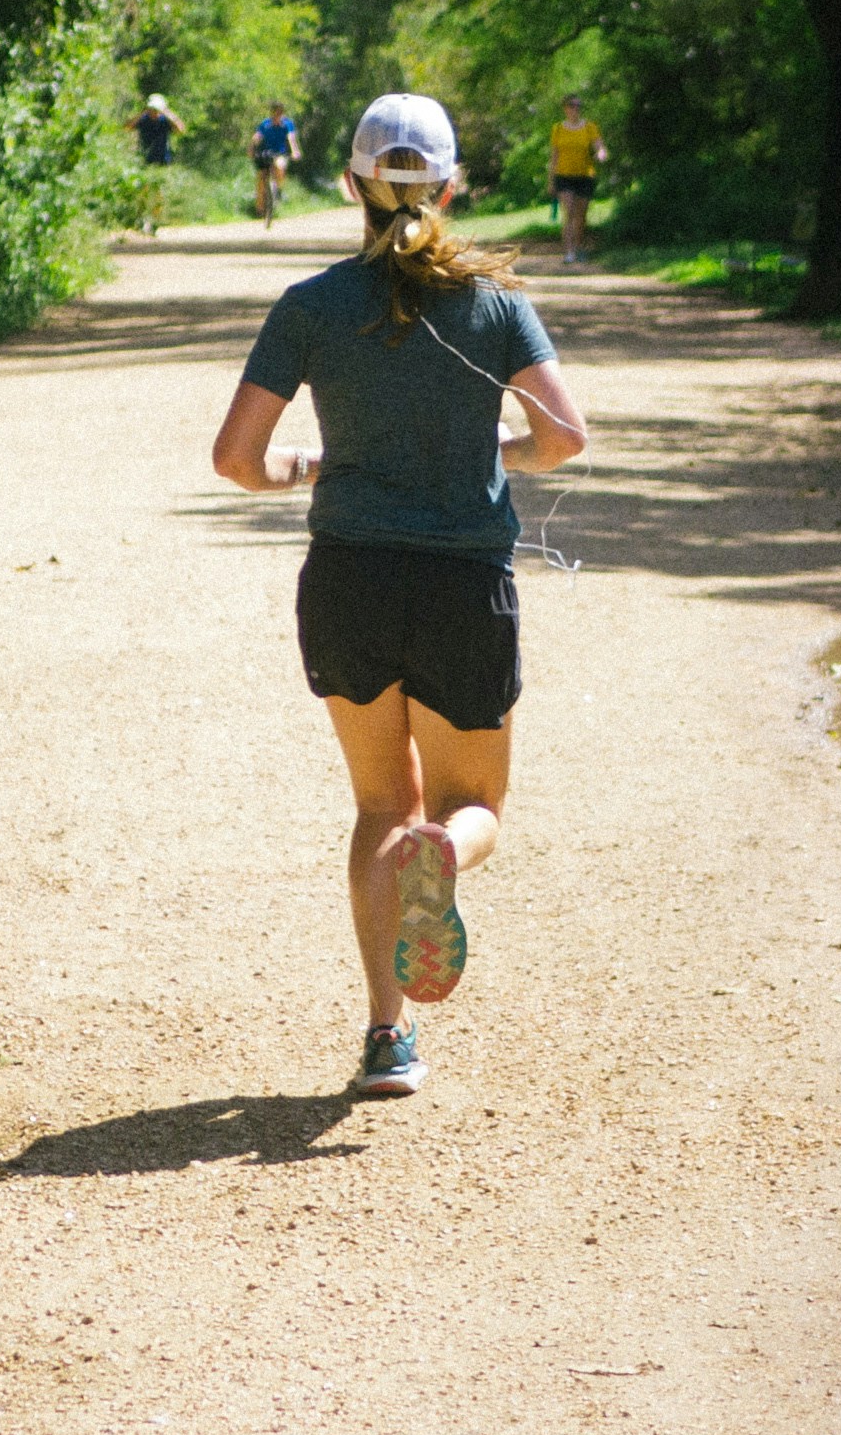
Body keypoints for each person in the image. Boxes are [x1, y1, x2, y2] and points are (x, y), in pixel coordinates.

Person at [209, 91, 590, 1099]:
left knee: (380, 802)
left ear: (352, 184)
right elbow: (565, 438)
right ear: (452, 186)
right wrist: (491, 450)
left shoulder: (310, 304)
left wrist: (311, 466)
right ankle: (445, 856)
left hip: (348, 580)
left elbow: (236, 459)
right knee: (474, 806)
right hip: (465, 583)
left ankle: (388, 1037)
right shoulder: (498, 304)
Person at [547, 95, 610, 267]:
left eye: (577, 106)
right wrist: (551, 180)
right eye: (571, 106)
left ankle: (578, 246)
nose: (575, 109)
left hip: (584, 175)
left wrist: (601, 154)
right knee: (569, 212)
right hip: (563, 176)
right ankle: (569, 252)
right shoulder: (558, 129)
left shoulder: (590, 127)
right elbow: (554, 156)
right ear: (565, 108)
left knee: (581, 216)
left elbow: (599, 146)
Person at [131, 91, 180, 235]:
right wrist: (142, 114)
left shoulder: (165, 121)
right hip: (144, 161)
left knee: (159, 194)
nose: (153, 112)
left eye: (156, 109)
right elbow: (128, 126)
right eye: (151, 109)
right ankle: (140, 221)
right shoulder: (143, 119)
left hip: (161, 161)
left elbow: (180, 129)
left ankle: (155, 222)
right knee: (142, 192)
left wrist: (168, 114)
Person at [248, 99, 300, 224]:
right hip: (265, 154)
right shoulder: (265, 124)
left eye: (279, 112)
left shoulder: (287, 124)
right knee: (261, 178)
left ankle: (278, 189)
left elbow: (291, 138)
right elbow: (257, 137)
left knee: (280, 166)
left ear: (282, 113)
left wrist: (295, 151)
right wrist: (251, 148)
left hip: (280, 154)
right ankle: (260, 209)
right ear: (272, 113)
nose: (277, 115)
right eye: (275, 112)